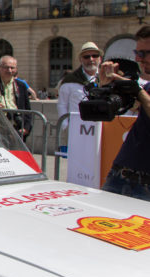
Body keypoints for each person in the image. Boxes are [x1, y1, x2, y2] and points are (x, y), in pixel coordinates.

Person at [101, 26, 150, 201]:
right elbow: (132, 105)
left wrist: (138, 91)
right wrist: (110, 85)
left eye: (144, 53)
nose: (138, 59)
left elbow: (142, 99)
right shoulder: (148, 86)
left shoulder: (144, 89)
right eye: (137, 52)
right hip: (121, 172)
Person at [57, 41, 102, 128]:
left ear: (100, 59)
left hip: (99, 128)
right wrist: (66, 126)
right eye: (86, 57)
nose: (91, 59)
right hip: (76, 128)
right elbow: (62, 105)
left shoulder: (105, 79)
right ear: (81, 59)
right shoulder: (69, 81)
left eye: (95, 56)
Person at [0, 55, 32, 140]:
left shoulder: (21, 86)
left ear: (16, 69)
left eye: (12, 68)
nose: (9, 70)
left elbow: (27, 109)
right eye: (6, 67)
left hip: (17, 128)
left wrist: (26, 128)